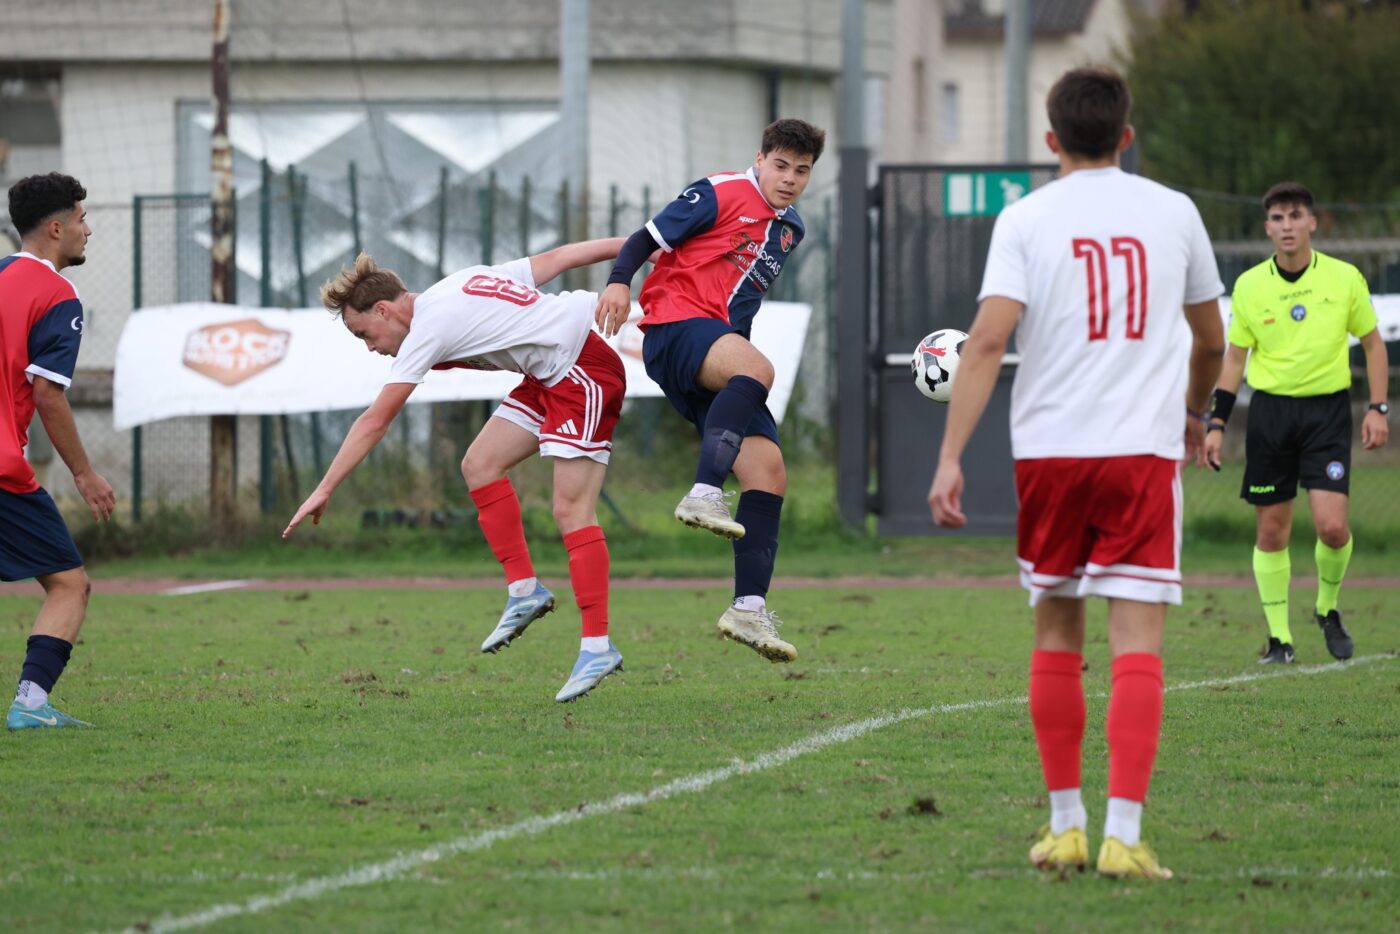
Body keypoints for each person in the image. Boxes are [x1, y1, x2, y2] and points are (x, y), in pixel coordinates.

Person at [927, 68, 1225, 879]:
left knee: (1056, 628)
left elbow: (985, 342)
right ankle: (1124, 836)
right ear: (1127, 137)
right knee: (1138, 640)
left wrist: (951, 457)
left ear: (1052, 141)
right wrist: (1197, 412)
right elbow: (1210, 339)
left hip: (1051, 456)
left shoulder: (1024, 218)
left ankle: (1065, 827)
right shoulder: (1175, 212)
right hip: (1139, 454)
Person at [283, 238, 633, 703]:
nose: (370, 348)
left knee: (571, 510)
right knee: (480, 465)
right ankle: (525, 589)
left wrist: (324, 488)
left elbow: (375, 421)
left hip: (582, 372)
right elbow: (559, 258)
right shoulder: (456, 285)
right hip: (547, 375)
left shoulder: (428, 327)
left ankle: (596, 646)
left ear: (384, 311)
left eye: (364, 334)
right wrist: (636, 245)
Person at [594, 117, 826, 664]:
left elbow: (738, 299)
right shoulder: (721, 190)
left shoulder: (791, 230)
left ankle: (747, 608)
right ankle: (703, 490)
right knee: (759, 370)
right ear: (760, 157)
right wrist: (618, 283)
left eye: (803, 170)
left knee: (768, 474)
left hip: (716, 351)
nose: (790, 178)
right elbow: (644, 239)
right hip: (675, 328)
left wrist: (731, 349)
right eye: (781, 165)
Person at [1202, 182, 1389, 665]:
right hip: (1270, 416)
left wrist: (1378, 407)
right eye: (1278, 218)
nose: (1287, 226)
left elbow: (1373, 344)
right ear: (1267, 228)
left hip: (1326, 413)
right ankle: (1280, 639)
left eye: (1295, 216)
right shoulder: (1249, 286)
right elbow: (1233, 361)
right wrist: (1216, 422)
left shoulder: (1344, 278)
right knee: (1272, 534)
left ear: (1312, 223)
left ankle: (1327, 608)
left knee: (1331, 528)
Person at [4, 172, 116, 731]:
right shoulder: (56, 294)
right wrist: (84, 472)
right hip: (1, 468)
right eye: (80, 220)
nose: (87, 230)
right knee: (69, 583)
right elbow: (47, 392)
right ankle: (29, 706)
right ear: (55, 228)